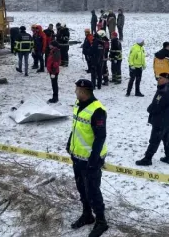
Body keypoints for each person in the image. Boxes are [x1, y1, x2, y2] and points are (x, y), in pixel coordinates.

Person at [67, 79, 109, 237]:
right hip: (77, 157)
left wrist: (94, 160)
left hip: (91, 160)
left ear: (84, 92)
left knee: (93, 191)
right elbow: (76, 127)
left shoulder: (97, 110)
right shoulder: (78, 105)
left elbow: (100, 137)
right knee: (81, 188)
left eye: (77, 90)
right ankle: (87, 215)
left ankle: (101, 221)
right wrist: (69, 143)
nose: (75, 92)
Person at [135, 73, 169, 166]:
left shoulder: (164, 91)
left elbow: (157, 105)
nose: (158, 80)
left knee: (154, 140)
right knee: (167, 138)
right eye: (158, 78)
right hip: (167, 120)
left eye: (161, 78)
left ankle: (147, 158)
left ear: (166, 79)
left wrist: (149, 109)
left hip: (160, 120)